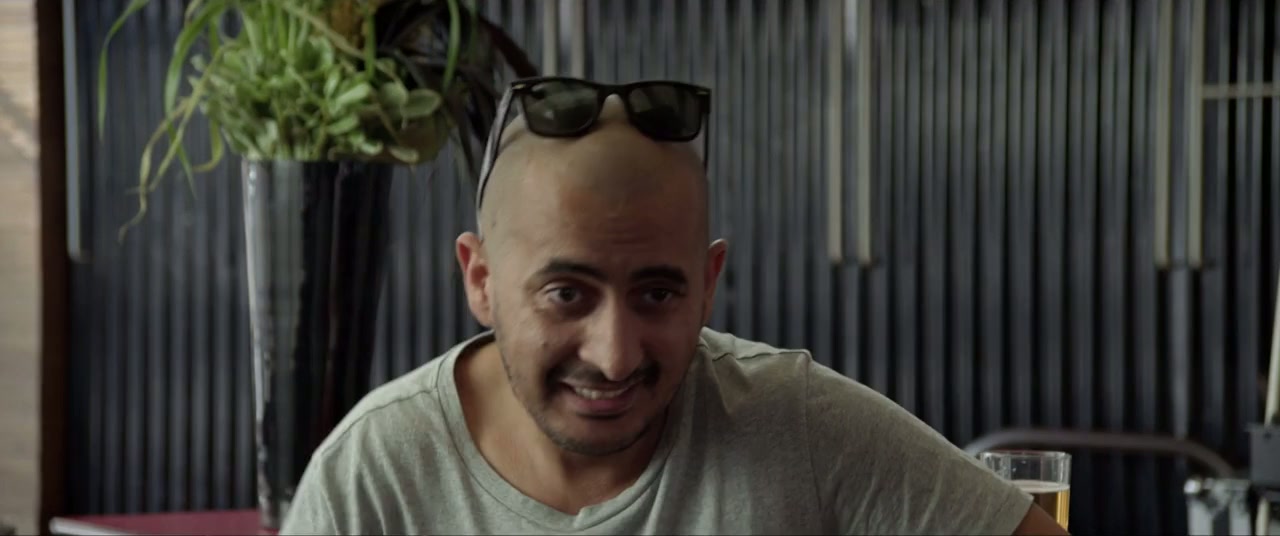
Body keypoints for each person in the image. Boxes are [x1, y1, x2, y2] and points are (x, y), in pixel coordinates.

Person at [280, 77, 1068, 535]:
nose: (615, 354)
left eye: (657, 293)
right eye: (566, 293)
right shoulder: (374, 476)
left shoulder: (794, 425)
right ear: (480, 279)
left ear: (709, 281)